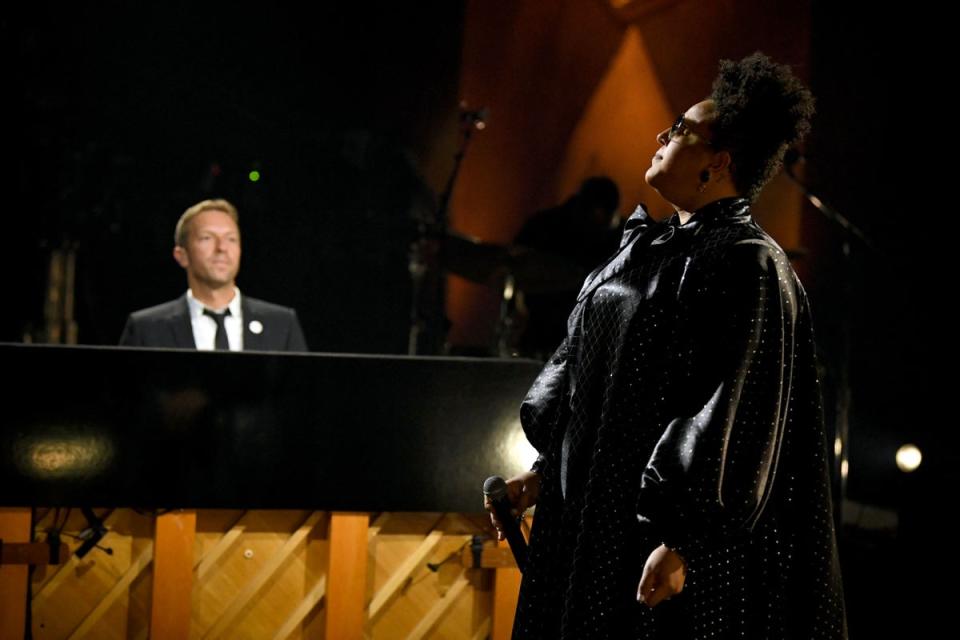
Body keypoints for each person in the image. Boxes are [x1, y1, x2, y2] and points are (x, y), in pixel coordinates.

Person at [486, 52, 847, 638]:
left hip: (650, 543)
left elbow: (735, 416)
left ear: (719, 162)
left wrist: (683, 542)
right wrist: (544, 471)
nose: (662, 135)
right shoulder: (645, 248)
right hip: (584, 525)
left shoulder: (747, 264)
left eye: (680, 129)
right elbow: (591, 377)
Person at [119, 198, 308, 352]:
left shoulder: (282, 324)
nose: (222, 248)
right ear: (182, 255)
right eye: (207, 238)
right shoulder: (147, 329)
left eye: (231, 239)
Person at [511, 177, 622, 359]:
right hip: (542, 333)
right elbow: (513, 269)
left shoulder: (622, 238)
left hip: (585, 343)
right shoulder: (543, 227)